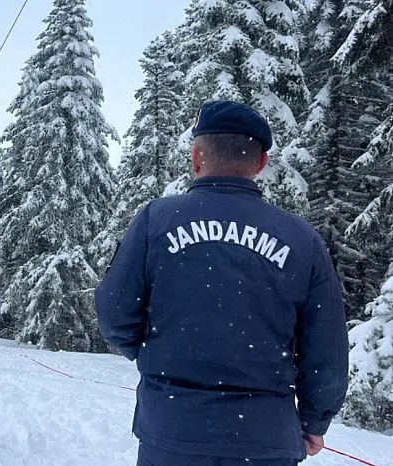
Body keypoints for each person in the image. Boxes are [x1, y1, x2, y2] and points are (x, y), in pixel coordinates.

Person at [95, 100, 349, 466]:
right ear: (261, 164)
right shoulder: (300, 239)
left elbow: (114, 314)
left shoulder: (157, 221)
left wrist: (161, 356)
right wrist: (315, 419)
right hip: (264, 439)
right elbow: (327, 345)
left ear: (197, 157)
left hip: (172, 432)